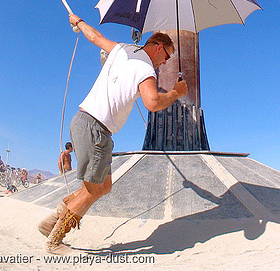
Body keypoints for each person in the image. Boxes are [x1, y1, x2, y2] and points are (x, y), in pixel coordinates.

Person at [38, 13, 188, 254]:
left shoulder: (123, 50)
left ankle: (53, 220)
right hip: (96, 128)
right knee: (93, 190)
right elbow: (152, 103)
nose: (165, 63)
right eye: (167, 57)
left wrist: (79, 23)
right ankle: (55, 240)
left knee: (103, 186)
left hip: (87, 123)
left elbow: (96, 37)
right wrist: (176, 93)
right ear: (159, 47)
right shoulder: (146, 69)